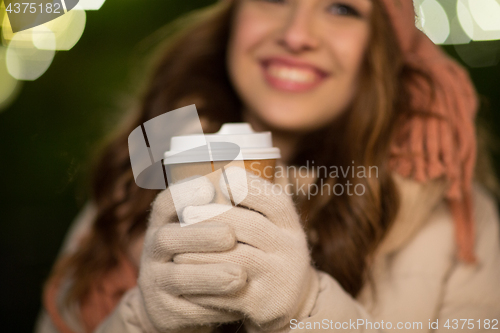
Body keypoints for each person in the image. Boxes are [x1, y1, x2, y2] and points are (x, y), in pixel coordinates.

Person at [36, 0, 500, 332]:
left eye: (342, 8)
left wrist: (305, 308)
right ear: (232, 18)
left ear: (380, 48)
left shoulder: (455, 220)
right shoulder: (132, 184)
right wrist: (142, 319)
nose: (297, 35)